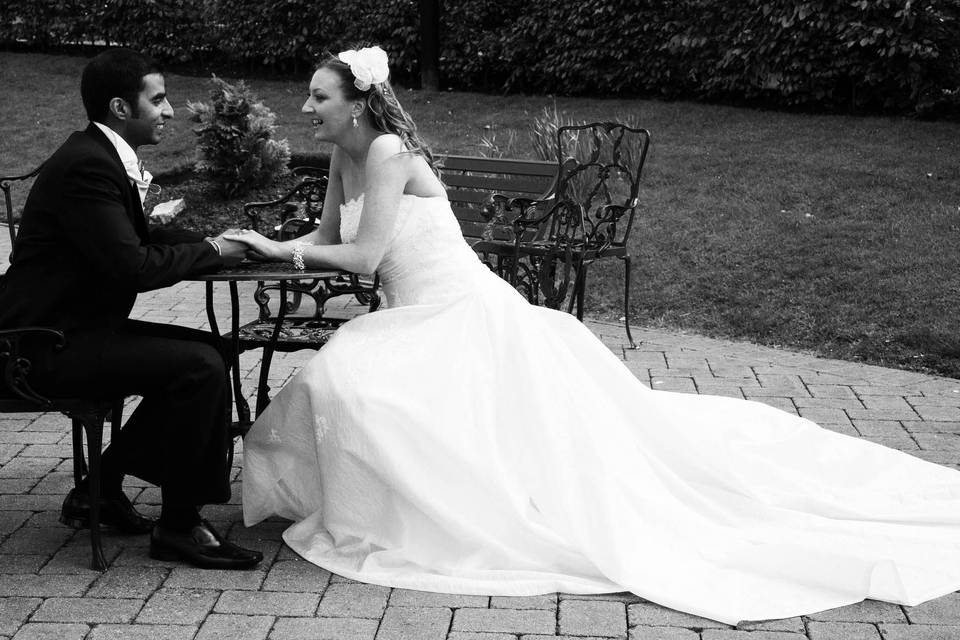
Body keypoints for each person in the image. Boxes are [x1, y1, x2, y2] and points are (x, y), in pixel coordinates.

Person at [231, 45, 960, 623]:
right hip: (405, 315)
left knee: (355, 384)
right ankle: (380, 505)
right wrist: (260, 243)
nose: (306, 107)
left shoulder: (388, 154)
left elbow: (360, 256)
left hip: (458, 310)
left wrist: (277, 252)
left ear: (358, 105)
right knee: (344, 383)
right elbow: (325, 235)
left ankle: (414, 514)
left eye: (319, 97)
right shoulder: (342, 155)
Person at [0, 48, 262, 570]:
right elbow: (132, 266)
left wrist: (217, 241)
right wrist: (211, 252)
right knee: (199, 367)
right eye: (159, 99)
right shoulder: (88, 167)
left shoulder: (96, 156)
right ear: (122, 107)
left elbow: (133, 238)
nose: (169, 111)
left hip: (73, 330)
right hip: (36, 345)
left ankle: (101, 486)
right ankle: (180, 526)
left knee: (212, 349)